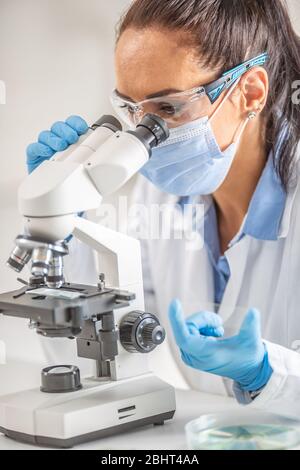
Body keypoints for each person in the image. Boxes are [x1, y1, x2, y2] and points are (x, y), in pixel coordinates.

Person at [26, 0, 300, 416]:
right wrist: (63, 229)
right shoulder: (164, 192)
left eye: (168, 109)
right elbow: (99, 349)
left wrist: (267, 373)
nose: (146, 137)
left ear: (250, 93)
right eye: (132, 110)